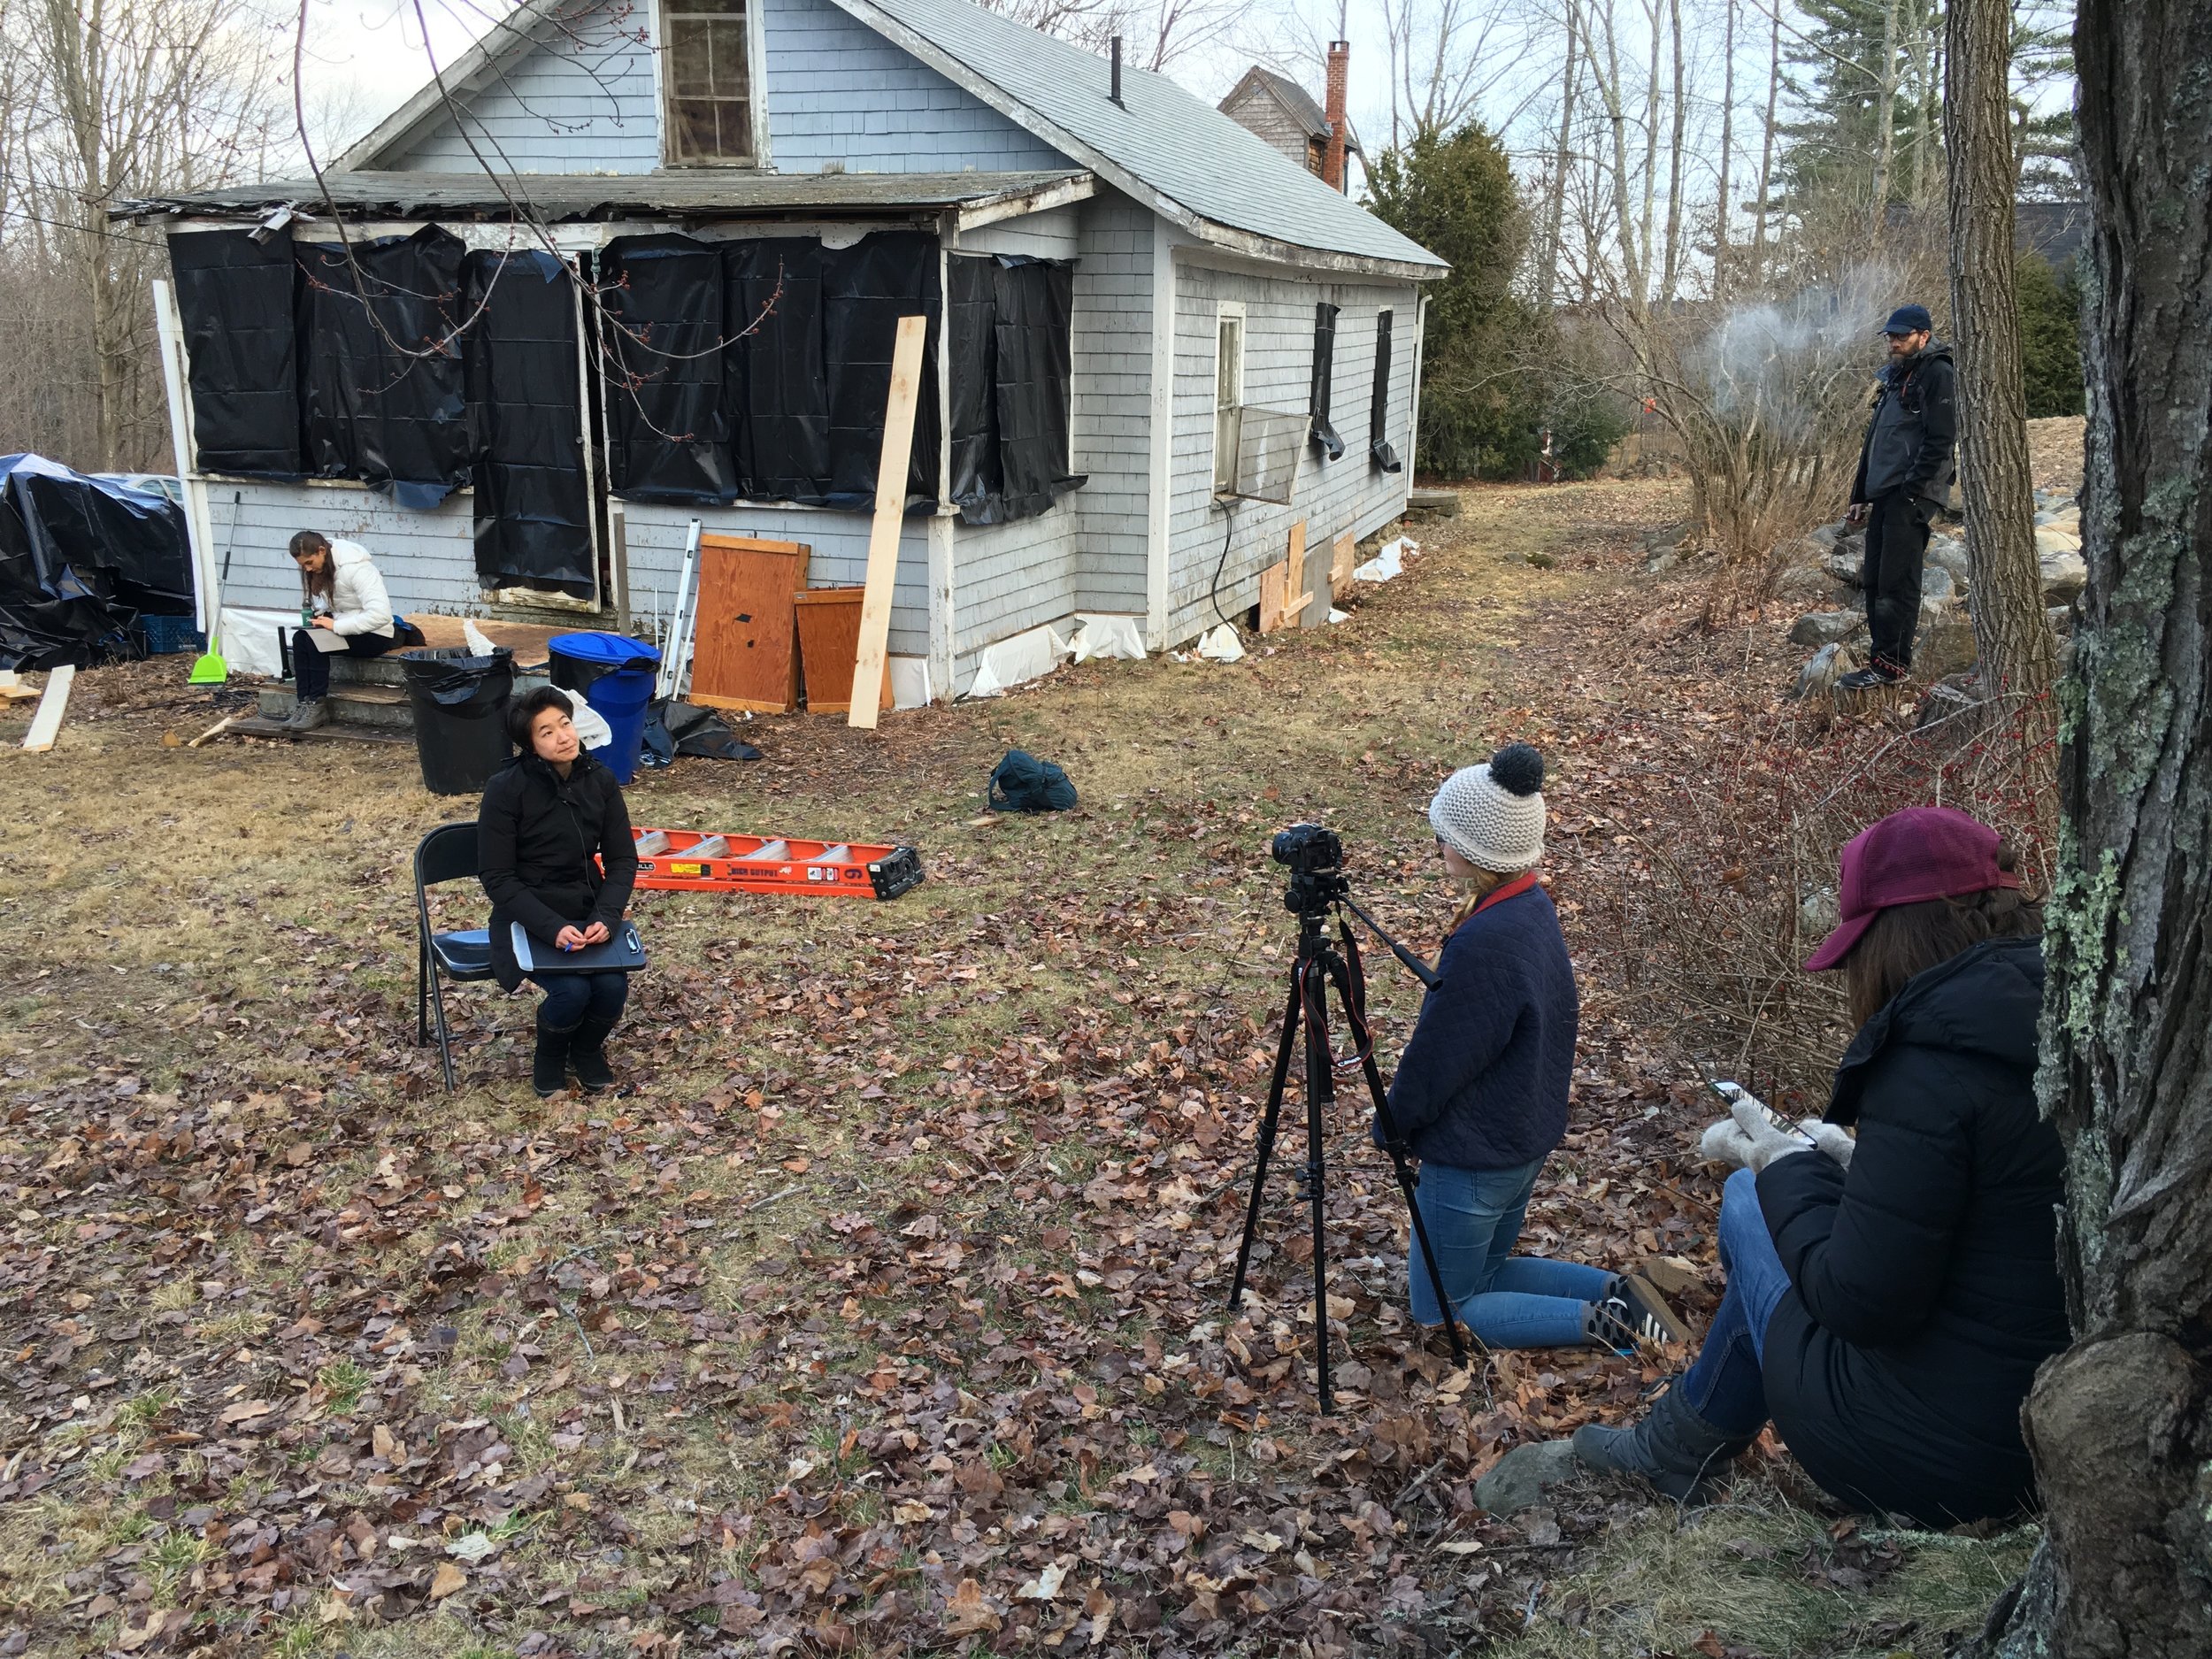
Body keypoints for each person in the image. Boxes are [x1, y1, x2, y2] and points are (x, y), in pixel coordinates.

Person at [1571, 807, 2067, 1526]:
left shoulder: (1928, 1066)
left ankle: (1675, 1446)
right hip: (2037, 1431)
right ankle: (1677, 1441)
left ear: (1896, 939)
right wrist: (1849, 1163)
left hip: (1925, 1451)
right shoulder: (2064, 1021)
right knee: (1785, 1202)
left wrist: (1780, 1164)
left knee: (1747, 1199)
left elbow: (1858, 1300)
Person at [1383, 744, 1675, 1352]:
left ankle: (1606, 1325)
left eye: (1445, 833)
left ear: (1472, 847)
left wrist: (1393, 1125)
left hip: (1473, 1159)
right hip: (1520, 1140)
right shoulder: (1530, 907)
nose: (1438, 841)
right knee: (1485, 1273)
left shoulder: (1485, 941)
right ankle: (1623, 1293)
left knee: (1443, 1305)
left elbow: (1437, 1059)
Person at [478, 687, 640, 1097]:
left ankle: (584, 1051)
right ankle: (549, 1057)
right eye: (546, 732)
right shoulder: (506, 788)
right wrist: (550, 927)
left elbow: (622, 860)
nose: (563, 737)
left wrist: (607, 916)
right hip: (527, 915)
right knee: (572, 991)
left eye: (565, 724)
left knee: (611, 987)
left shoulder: (600, 780)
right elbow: (497, 877)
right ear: (529, 745)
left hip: (587, 910)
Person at [1839, 304, 1957, 692]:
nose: (1893, 341)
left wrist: (1912, 490)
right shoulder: (1895, 377)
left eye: (1901, 335)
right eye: (1890, 335)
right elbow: (1875, 441)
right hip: (1885, 494)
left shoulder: (1937, 373)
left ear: (1923, 336)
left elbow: (1941, 440)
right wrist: (1860, 494)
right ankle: (1880, 660)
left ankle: (1890, 668)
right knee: (1873, 580)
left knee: (1897, 584)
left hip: (1912, 497)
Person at [287, 531, 396, 732]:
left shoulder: (358, 569)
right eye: (303, 566)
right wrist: (321, 617)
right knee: (301, 637)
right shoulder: (322, 569)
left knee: (315, 642)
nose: (308, 569)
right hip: (345, 629)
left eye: (309, 562)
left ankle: (318, 708)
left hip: (376, 635)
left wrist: (335, 626)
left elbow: (381, 615)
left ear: (322, 551)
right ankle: (305, 703)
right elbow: (335, 605)